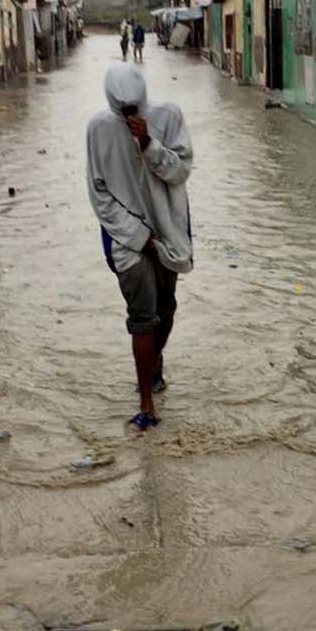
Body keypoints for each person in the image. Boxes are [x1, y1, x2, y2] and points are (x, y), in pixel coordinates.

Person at [86, 64, 194, 431]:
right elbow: (99, 193)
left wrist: (149, 144)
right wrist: (136, 237)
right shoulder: (98, 129)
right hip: (125, 239)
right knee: (142, 317)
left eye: (136, 109)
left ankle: (155, 360)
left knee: (167, 307)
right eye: (124, 111)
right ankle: (147, 400)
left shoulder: (168, 116)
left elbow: (180, 172)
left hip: (169, 231)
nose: (131, 116)